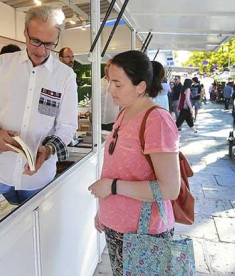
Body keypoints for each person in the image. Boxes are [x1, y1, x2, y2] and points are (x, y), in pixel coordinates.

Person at [0, 6, 78, 204]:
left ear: (57, 41)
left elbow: (68, 126)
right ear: (25, 33)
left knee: (38, 232)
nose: (41, 50)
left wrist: (47, 150)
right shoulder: (2, 65)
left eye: (49, 44)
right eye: (35, 41)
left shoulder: (64, 76)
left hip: (39, 178)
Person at [88, 50, 180, 276]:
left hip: (143, 233)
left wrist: (112, 187)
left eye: (118, 84)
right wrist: (105, 211)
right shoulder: (124, 113)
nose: (110, 89)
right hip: (118, 227)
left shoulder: (156, 120)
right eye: (110, 82)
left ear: (140, 86)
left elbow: (170, 188)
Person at [88, 59, 119, 131]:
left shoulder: (118, 83)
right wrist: (90, 114)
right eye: (105, 65)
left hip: (113, 121)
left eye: (109, 65)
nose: (106, 68)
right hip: (98, 121)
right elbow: (92, 100)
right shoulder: (98, 82)